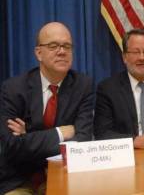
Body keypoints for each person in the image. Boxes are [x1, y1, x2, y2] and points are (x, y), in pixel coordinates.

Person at [0, 22, 94, 194]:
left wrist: (28, 137)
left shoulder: (83, 85)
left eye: (67, 46)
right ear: (39, 53)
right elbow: (11, 146)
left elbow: (82, 142)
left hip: (63, 174)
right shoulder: (13, 89)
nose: (62, 51)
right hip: (20, 178)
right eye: (53, 46)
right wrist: (61, 133)